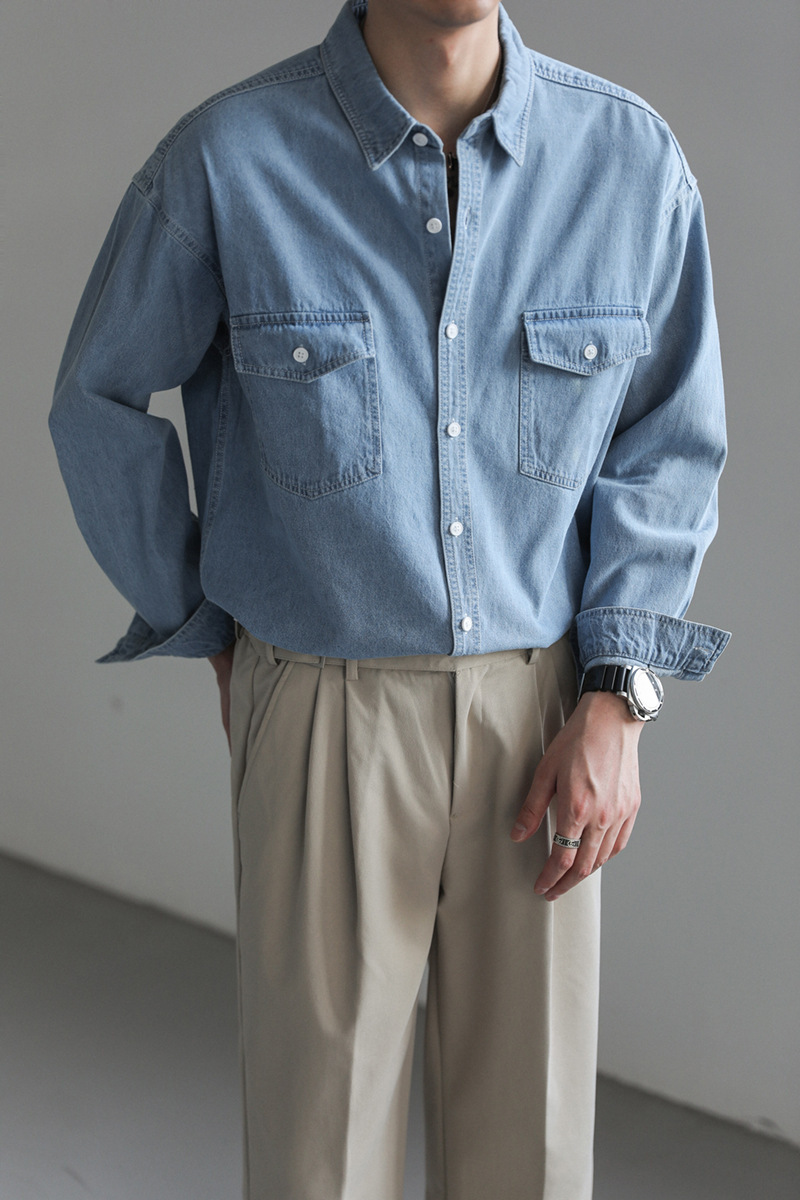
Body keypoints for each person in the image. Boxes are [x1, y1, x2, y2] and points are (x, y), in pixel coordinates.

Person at [49, 1, 731, 1197]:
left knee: (529, 1153)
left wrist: (617, 695)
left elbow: (667, 442)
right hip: (324, 711)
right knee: (317, 1153)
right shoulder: (228, 160)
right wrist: (201, 620)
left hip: (546, 712)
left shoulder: (626, 159)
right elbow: (96, 401)